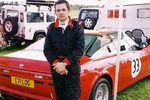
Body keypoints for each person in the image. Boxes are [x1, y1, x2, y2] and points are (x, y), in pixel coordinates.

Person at [43, 0, 85, 100]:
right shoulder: (51, 28)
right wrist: (57, 64)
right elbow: (47, 50)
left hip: (72, 68)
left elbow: (79, 49)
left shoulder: (77, 27)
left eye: (63, 9)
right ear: (55, 12)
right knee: (60, 95)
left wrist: (64, 63)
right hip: (56, 68)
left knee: (73, 96)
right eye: (58, 10)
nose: (61, 12)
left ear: (68, 10)